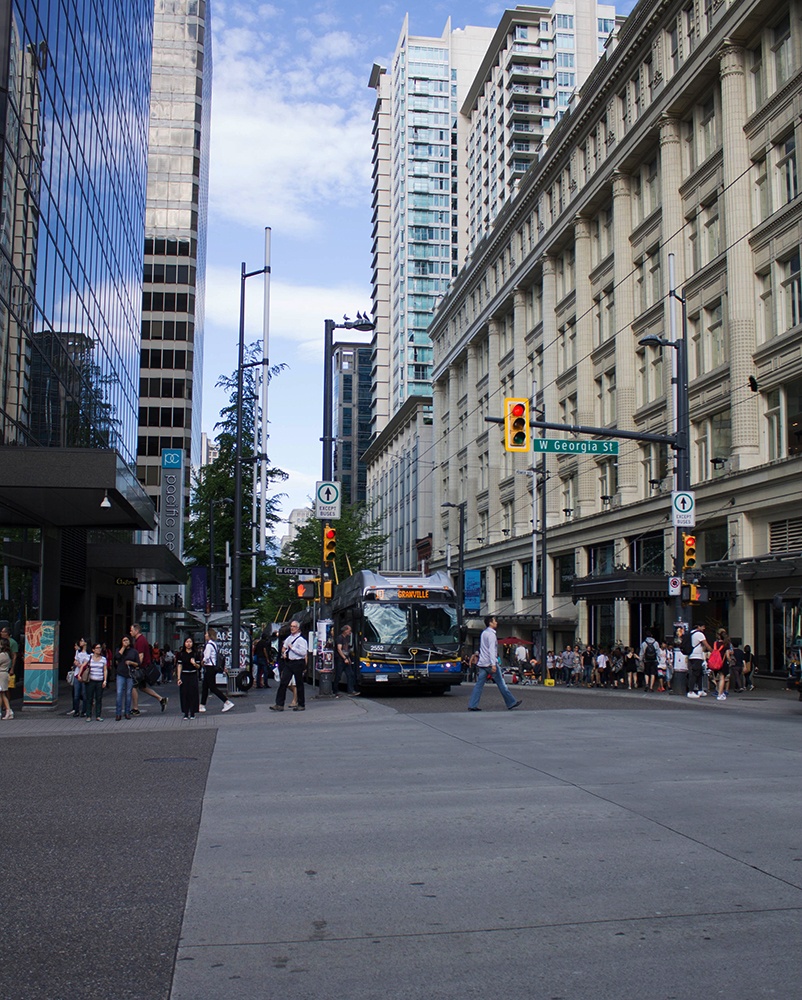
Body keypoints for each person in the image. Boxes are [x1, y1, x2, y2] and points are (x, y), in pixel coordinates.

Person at [467, 615, 522, 711]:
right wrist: (493, 664)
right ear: (490, 623)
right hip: (490, 663)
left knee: (479, 685)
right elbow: (492, 650)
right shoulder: (491, 635)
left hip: (482, 663)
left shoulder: (484, 633)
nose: (496, 622)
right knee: (501, 684)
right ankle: (511, 702)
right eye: (494, 621)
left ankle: (472, 704)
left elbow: (483, 648)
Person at [270, 620, 308, 712]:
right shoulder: (289, 638)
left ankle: (301, 704)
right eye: (291, 626)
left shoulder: (301, 640)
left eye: (294, 626)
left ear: (298, 628)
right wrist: (284, 653)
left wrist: (293, 648)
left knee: (299, 683)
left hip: (298, 662)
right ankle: (279, 704)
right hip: (289, 662)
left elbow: (303, 652)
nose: (292, 628)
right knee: (283, 682)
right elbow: (284, 647)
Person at [130, 623, 168, 715]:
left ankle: (135, 708)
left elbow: (141, 656)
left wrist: (136, 665)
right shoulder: (141, 640)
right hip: (144, 667)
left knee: (133, 686)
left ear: (136, 631)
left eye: (131, 630)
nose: (130, 632)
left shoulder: (140, 641)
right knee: (142, 687)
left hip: (141, 668)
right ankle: (161, 699)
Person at [199, 627, 234, 714]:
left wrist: (202, 662)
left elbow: (207, 657)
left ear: (209, 635)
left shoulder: (208, 645)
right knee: (205, 686)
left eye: (206, 634)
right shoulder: (214, 644)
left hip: (209, 667)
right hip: (213, 667)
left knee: (212, 687)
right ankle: (202, 705)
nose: (205, 635)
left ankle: (226, 702)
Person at [113, 635, 139, 720]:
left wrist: (131, 663)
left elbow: (138, 663)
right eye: (124, 640)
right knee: (119, 693)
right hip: (120, 674)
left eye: (127, 640)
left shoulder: (134, 651)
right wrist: (123, 647)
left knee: (128, 694)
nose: (125, 642)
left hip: (130, 674)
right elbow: (117, 657)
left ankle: (127, 712)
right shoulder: (119, 650)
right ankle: (118, 713)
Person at [176, 636, 200, 719]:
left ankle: (193, 712)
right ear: (184, 643)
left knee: (193, 693)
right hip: (184, 675)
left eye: (190, 642)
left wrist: (194, 663)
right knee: (184, 694)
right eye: (187, 642)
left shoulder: (195, 654)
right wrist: (178, 678)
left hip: (193, 675)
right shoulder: (181, 654)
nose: (188, 644)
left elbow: (198, 666)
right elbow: (179, 665)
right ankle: (186, 712)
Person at [84, 642, 108, 721]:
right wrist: (79, 675)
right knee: (89, 698)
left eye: (100, 648)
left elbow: (105, 670)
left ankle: (98, 715)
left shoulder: (103, 659)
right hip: (91, 680)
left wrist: (105, 680)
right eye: (97, 648)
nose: (99, 649)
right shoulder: (89, 657)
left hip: (100, 680)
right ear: (93, 650)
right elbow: (83, 666)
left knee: (99, 698)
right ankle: (88, 715)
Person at [334, 624, 359, 697]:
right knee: (338, 675)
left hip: (346, 659)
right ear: (345, 630)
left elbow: (346, 650)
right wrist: (344, 658)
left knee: (350, 674)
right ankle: (335, 690)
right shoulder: (340, 638)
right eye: (349, 630)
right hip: (340, 660)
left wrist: (348, 658)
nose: (350, 632)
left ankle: (350, 690)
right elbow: (339, 649)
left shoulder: (347, 638)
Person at [687, 624, 710, 698]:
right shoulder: (699, 634)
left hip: (691, 655)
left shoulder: (691, 633)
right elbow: (706, 645)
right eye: (703, 626)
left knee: (699, 673)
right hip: (697, 656)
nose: (704, 628)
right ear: (698, 626)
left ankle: (700, 690)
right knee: (694, 674)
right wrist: (713, 652)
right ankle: (691, 691)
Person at [69, 638, 90, 717]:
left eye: (82, 641)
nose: (80, 642)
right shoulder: (78, 652)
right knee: (76, 694)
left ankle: (84, 711)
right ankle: (76, 710)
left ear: (86, 643)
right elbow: (75, 660)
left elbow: (87, 663)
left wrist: (82, 665)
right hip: (77, 674)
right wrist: (77, 664)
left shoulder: (89, 654)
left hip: (85, 675)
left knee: (84, 694)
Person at [0, 637, 13, 720]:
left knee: (2, 694)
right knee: (2, 694)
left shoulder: (2, 655)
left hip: (1, 674)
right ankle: (8, 711)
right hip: (3, 674)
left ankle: (8, 710)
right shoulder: (7, 654)